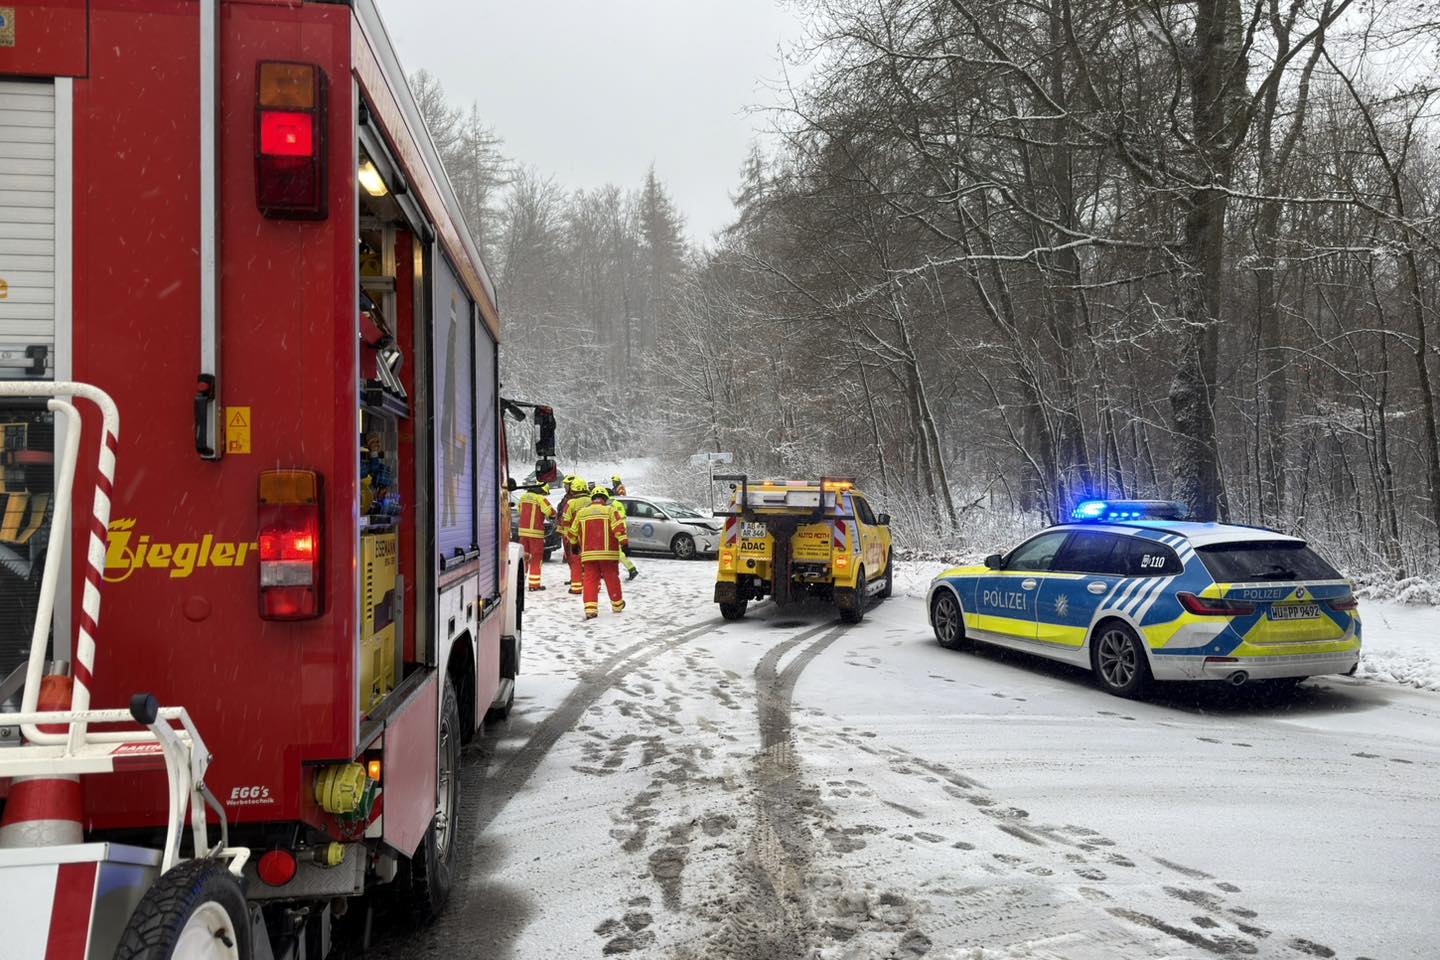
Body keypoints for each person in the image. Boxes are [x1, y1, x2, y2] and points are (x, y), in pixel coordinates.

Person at [569, 486, 628, 620]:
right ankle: (617, 604)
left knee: (590, 580)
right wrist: (624, 543)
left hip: (589, 554)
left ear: (592, 498)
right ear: (605, 498)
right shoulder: (610, 511)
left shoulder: (582, 513)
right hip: (608, 554)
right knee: (612, 578)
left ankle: (590, 609)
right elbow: (619, 528)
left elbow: (572, 532)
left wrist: (573, 545)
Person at [517, 482, 555, 591]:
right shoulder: (540, 498)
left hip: (523, 533)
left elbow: (520, 511)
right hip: (536, 533)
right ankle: (534, 585)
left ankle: (519, 583)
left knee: (524, 558)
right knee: (536, 558)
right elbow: (550, 512)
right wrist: (553, 516)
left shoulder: (523, 497)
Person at [558, 476, 592, 595]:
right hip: (591, 538)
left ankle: (576, 587)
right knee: (589, 563)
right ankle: (590, 585)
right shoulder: (591, 501)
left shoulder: (571, 503)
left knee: (575, 561)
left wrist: (569, 537)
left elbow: (565, 520)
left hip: (576, 537)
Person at [608, 475, 640, 581]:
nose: (613, 482)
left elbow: (618, 519)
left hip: (615, 531)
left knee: (617, 553)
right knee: (615, 553)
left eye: (614, 481)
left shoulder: (612, 504)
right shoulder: (617, 504)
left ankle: (631, 569)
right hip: (618, 530)